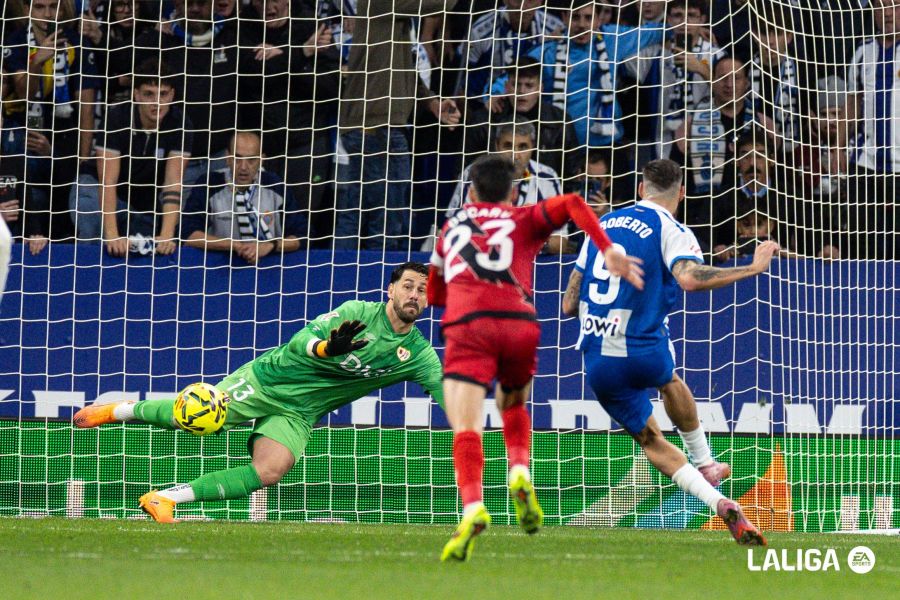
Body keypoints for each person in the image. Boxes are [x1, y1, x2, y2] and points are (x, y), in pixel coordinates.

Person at [74, 262, 444, 522]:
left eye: (422, 290)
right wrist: (328, 350)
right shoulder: (356, 313)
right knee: (193, 417)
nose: (414, 294)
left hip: (298, 411)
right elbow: (302, 341)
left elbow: (451, 395)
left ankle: (165, 498)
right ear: (391, 290)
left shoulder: (419, 355)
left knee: (270, 470)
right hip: (269, 380)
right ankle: (116, 410)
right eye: (408, 286)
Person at [427, 154, 643, 561]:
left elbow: (435, 293)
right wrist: (607, 249)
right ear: (513, 191)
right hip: (519, 322)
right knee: (513, 402)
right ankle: (520, 470)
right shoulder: (523, 218)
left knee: (467, 425)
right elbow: (575, 203)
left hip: (469, 325)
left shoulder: (451, 227)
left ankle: (473, 506)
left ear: (470, 190)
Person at [561, 159, 773, 546]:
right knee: (668, 379)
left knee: (651, 441)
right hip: (642, 348)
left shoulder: (600, 227)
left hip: (597, 359)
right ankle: (707, 463)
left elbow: (568, 304)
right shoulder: (671, 228)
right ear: (682, 193)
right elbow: (690, 279)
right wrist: (751, 268)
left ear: (641, 189)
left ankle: (718, 501)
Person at [334, 0, 460, 251]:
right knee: (384, 221)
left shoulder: (396, 17)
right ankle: (375, 284)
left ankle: (350, 281)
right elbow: (436, 5)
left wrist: (430, 102)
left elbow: (402, 68)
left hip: (376, 126)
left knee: (369, 216)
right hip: (375, 127)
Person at [70, 59, 191, 256]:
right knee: (93, 222)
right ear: (136, 94)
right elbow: (107, 182)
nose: (156, 102)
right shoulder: (117, 117)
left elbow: (172, 184)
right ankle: (86, 278)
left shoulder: (180, 123)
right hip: (95, 186)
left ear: (172, 95)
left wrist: (167, 234)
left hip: (139, 199)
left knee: (155, 241)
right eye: (149, 94)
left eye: (163, 94)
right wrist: (112, 235)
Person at [182, 131, 308, 263]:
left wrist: (271, 245)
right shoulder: (209, 184)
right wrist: (236, 246)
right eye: (237, 158)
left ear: (261, 159)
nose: (243, 167)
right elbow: (187, 233)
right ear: (227, 157)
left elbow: (303, 235)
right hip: (220, 267)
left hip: (268, 268)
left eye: (251, 160)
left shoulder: (275, 186)